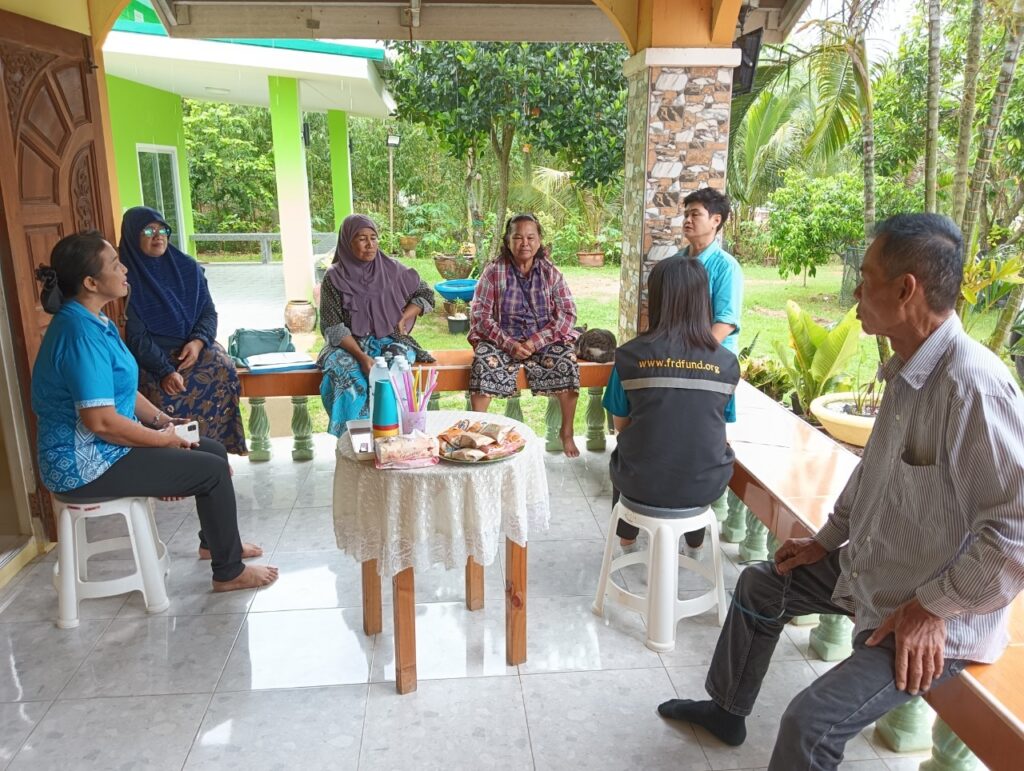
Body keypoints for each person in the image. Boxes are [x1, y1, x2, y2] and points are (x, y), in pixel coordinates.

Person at [657, 214, 1024, 770]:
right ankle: (726, 709)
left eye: (866, 277)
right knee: (762, 584)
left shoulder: (972, 386)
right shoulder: (908, 367)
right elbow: (873, 472)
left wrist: (931, 608)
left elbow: (1013, 533)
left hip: (930, 612)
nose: (854, 291)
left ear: (905, 290)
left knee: (809, 726)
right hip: (874, 572)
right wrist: (825, 542)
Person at [31, 231, 277, 592]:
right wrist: (161, 442)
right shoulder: (79, 333)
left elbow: (122, 390)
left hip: (105, 451)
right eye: (115, 264)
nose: (125, 270)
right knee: (209, 472)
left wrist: (164, 422)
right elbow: (100, 421)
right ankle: (229, 573)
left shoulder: (94, 321)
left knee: (211, 449)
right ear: (90, 282)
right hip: (84, 465)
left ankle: (216, 544)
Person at [617, 187, 743, 550]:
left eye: (696, 213)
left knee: (678, 437)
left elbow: (725, 322)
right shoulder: (677, 260)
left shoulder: (726, 267)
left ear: (716, 221)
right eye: (685, 213)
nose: (687, 219)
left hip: (707, 361)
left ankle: (638, 538)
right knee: (690, 441)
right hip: (698, 366)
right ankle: (688, 541)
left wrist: (691, 361)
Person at [119, 206, 246, 455]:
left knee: (222, 367)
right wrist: (164, 371)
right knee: (164, 390)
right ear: (133, 235)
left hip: (192, 346)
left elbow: (208, 312)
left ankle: (214, 452)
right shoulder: (125, 278)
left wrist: (198, 342)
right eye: (148, 231)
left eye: (162, 230)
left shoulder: (187, 267)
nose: (158, 236)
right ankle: (179, 457)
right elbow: (136, 336)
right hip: (153, 355)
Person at [469, 213, 581, 457]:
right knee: (482, 364)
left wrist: (535, 341)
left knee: (566, 361)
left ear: (539, 240)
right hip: (501, 340)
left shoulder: (551, 273)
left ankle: (567, 432)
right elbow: (480, 315)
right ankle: (478, 435)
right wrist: (509, 344)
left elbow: (567, 313)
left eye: (531, 237)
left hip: (543, 340)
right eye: (518, 237)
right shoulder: (493, 272)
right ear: (507, 241)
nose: (525, 243)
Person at [318, 214, 435, 436]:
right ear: (347, 242)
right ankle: (351, 440)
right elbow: (333, 326)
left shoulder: (392, 269)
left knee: (393, 373)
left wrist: (403, 317)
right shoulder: (334, 277)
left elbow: (426, 294)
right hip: (348, 344)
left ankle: (393, 438)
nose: (370, 244)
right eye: (362, 238)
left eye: (373, 237)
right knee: (348, 374)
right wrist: (362, 358)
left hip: (390, 340)